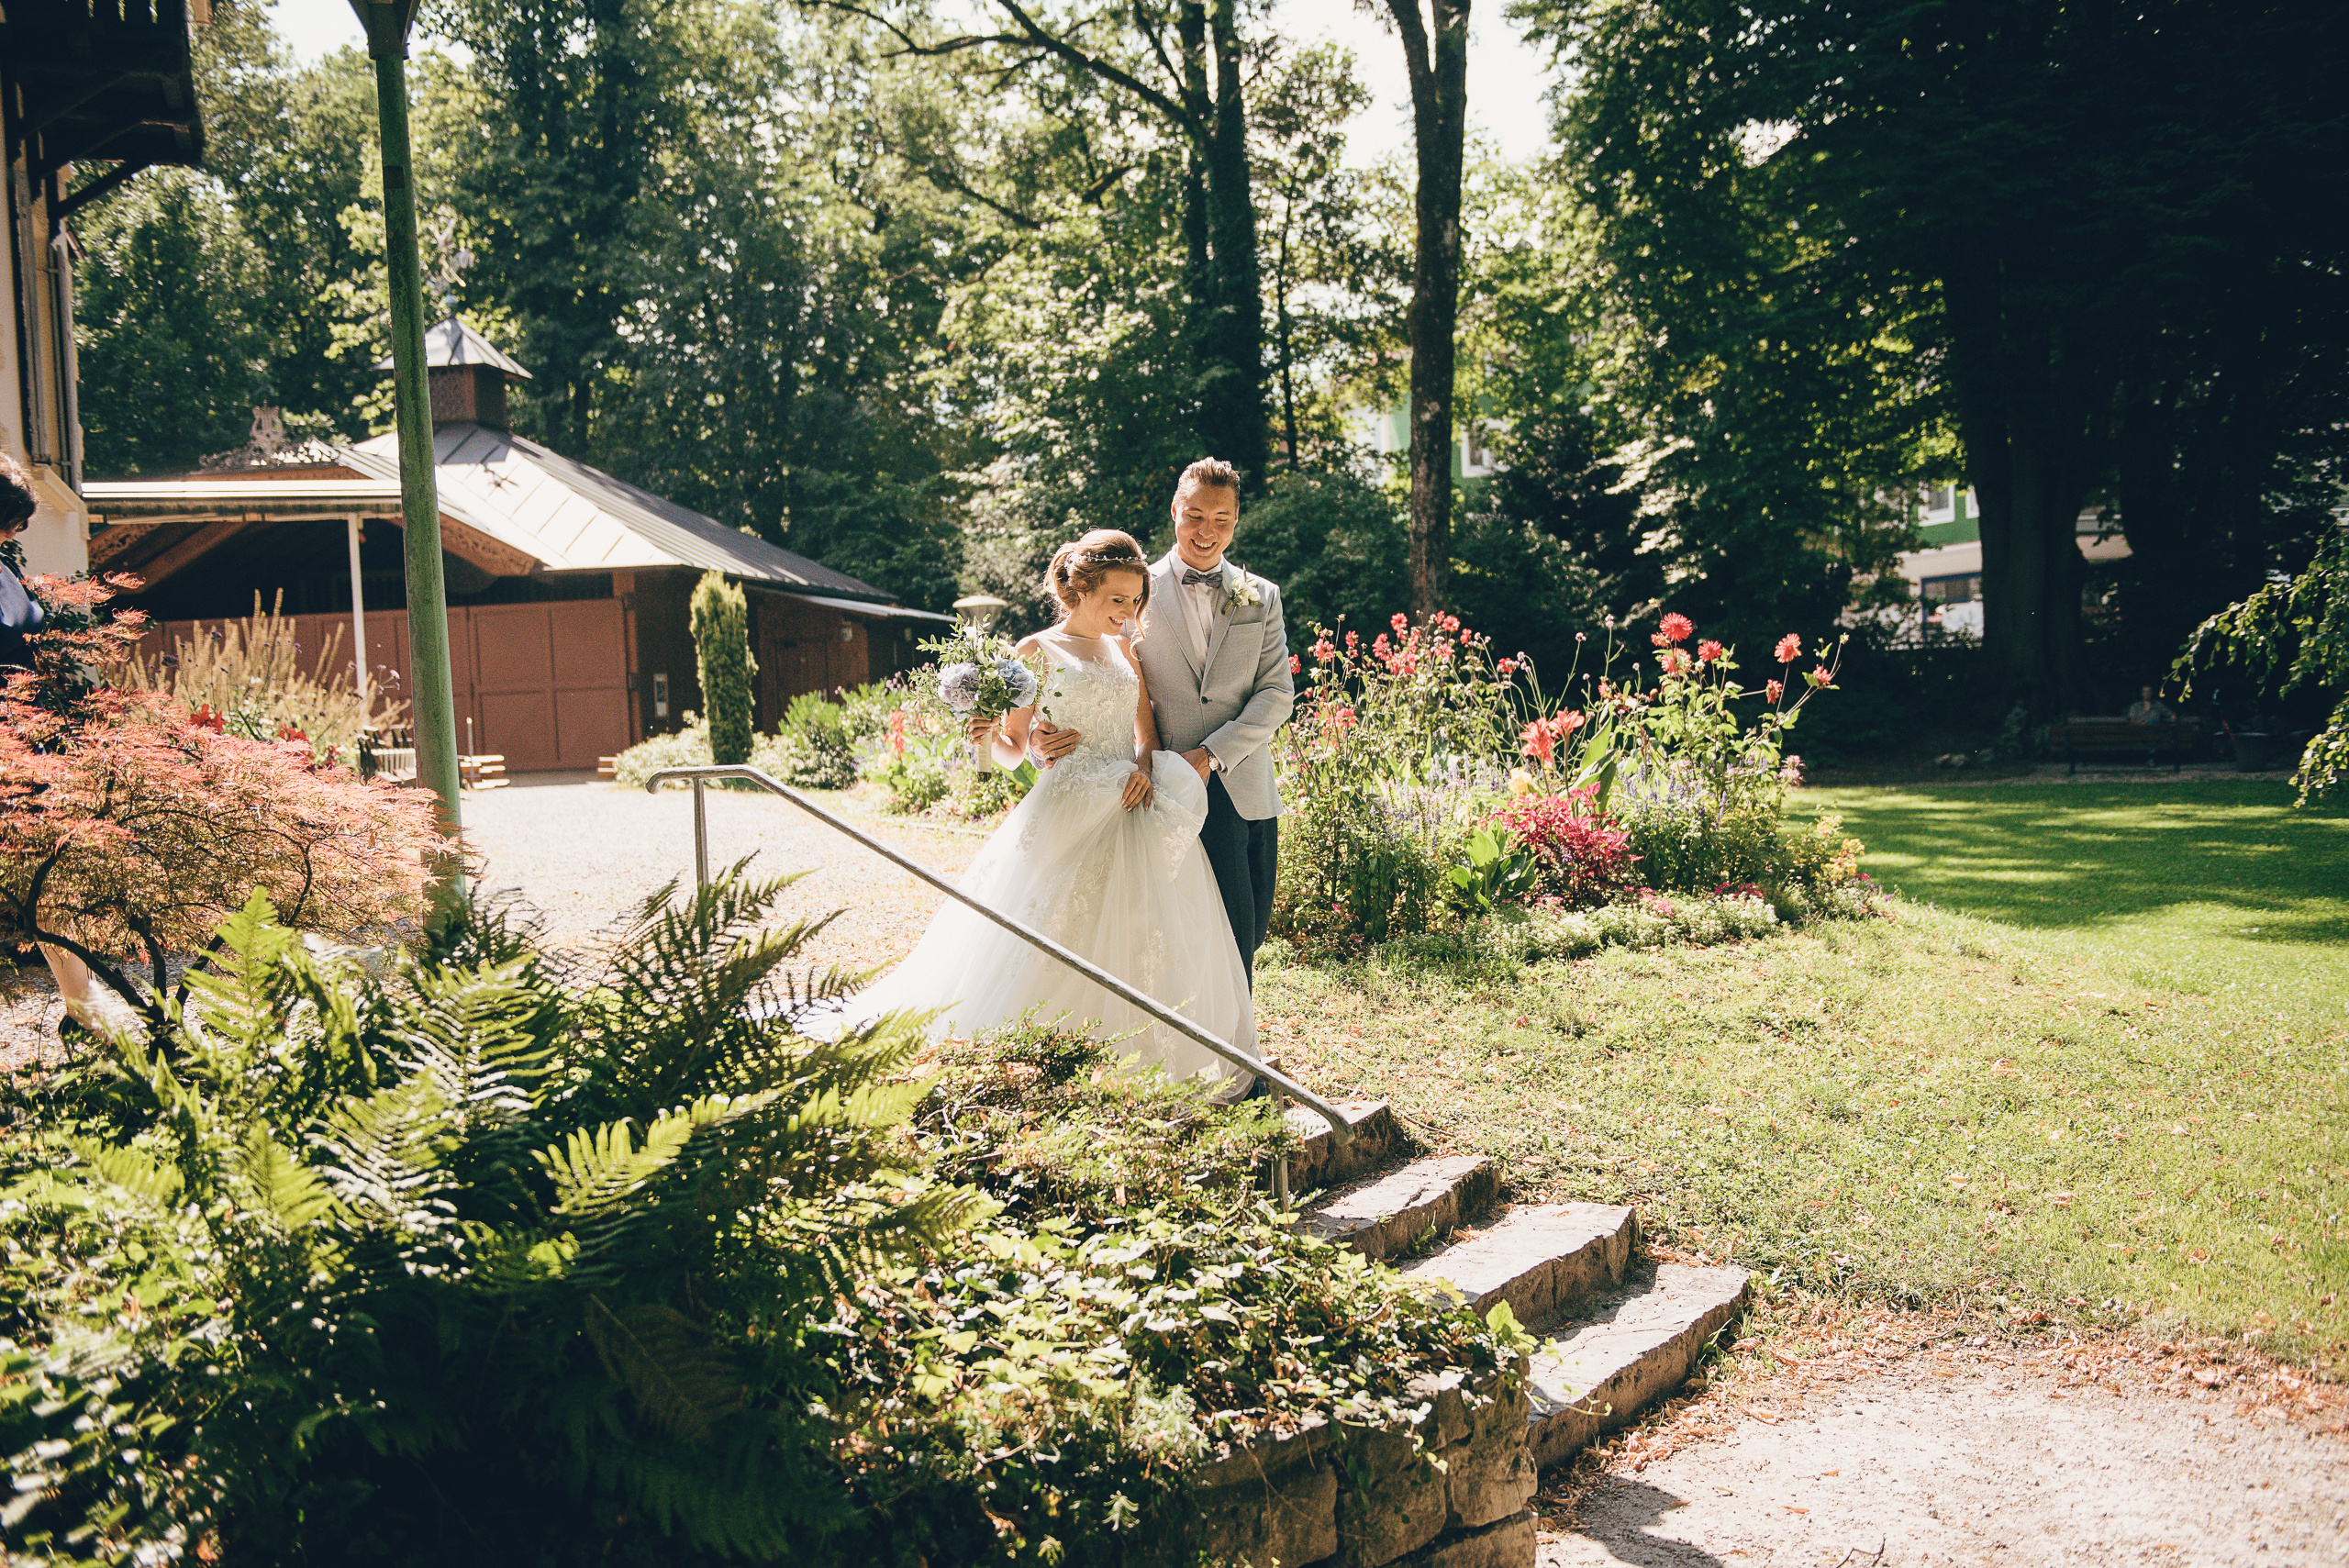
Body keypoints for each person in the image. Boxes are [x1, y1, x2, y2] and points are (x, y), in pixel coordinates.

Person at [843, 528, 1258, 1089]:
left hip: (1130, 807)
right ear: (1081, 590)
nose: (1129, 612)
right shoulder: (1036, 652)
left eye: (1136, 601)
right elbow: (1014, 745)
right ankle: (1043, 1057)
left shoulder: (1125, 650)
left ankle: (1131, 1063)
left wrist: (1142, 769)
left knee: (1137, 933)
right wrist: (1012, 741)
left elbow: (1145, 733)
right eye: (1117, 600)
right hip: (1069, 809)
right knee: (1054, 926)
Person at [1129, 458, 1294, 981]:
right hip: (1169, 783)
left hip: (1243, 781)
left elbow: (1277, 692)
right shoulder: (1135, 590)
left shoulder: (1262, 595)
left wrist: (1212, 754)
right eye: (1196, 515)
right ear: (1175, 510)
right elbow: (1103, 669)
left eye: (1221, 519)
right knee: (1211, 928)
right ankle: (1234, 1052)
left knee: (1254, 924)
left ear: (1236, 522)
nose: (1207, 531)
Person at [0, 451, 96, 1040]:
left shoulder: (5, 574)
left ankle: (81, 1011)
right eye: (13, 520)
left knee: (53, 877)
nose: (18, 534)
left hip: (25, 742)